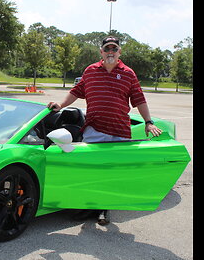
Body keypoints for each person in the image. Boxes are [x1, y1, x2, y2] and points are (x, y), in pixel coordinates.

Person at [47, 36, 162, 225]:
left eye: (114, 49)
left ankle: (103, 209)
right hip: (95, 129)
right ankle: (89, 205)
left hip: (120, 130)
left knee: (110, 172)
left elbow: (139, 99)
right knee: (92, 170)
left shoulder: (128, 73)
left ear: (119, 52)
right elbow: (76, 91)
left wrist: (148, 122)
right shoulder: (90, 71)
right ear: (101, 52)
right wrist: (60, 104)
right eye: (107, 49)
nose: (111, 52)